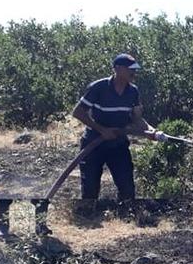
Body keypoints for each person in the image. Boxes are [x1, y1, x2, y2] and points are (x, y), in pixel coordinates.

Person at [71, 53, 166, 215]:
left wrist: (151, 131)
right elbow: (78, 112)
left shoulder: (133, 92)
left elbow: (137, 118)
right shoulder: (98, 87)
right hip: (94, 143)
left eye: (135, 69)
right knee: (90, 185)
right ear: (118, 69)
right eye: (131, 70)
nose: (134, 73)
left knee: (126, 183)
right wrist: (102, 130)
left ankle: (126, 215)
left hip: (118, 144)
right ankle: (87, 217)